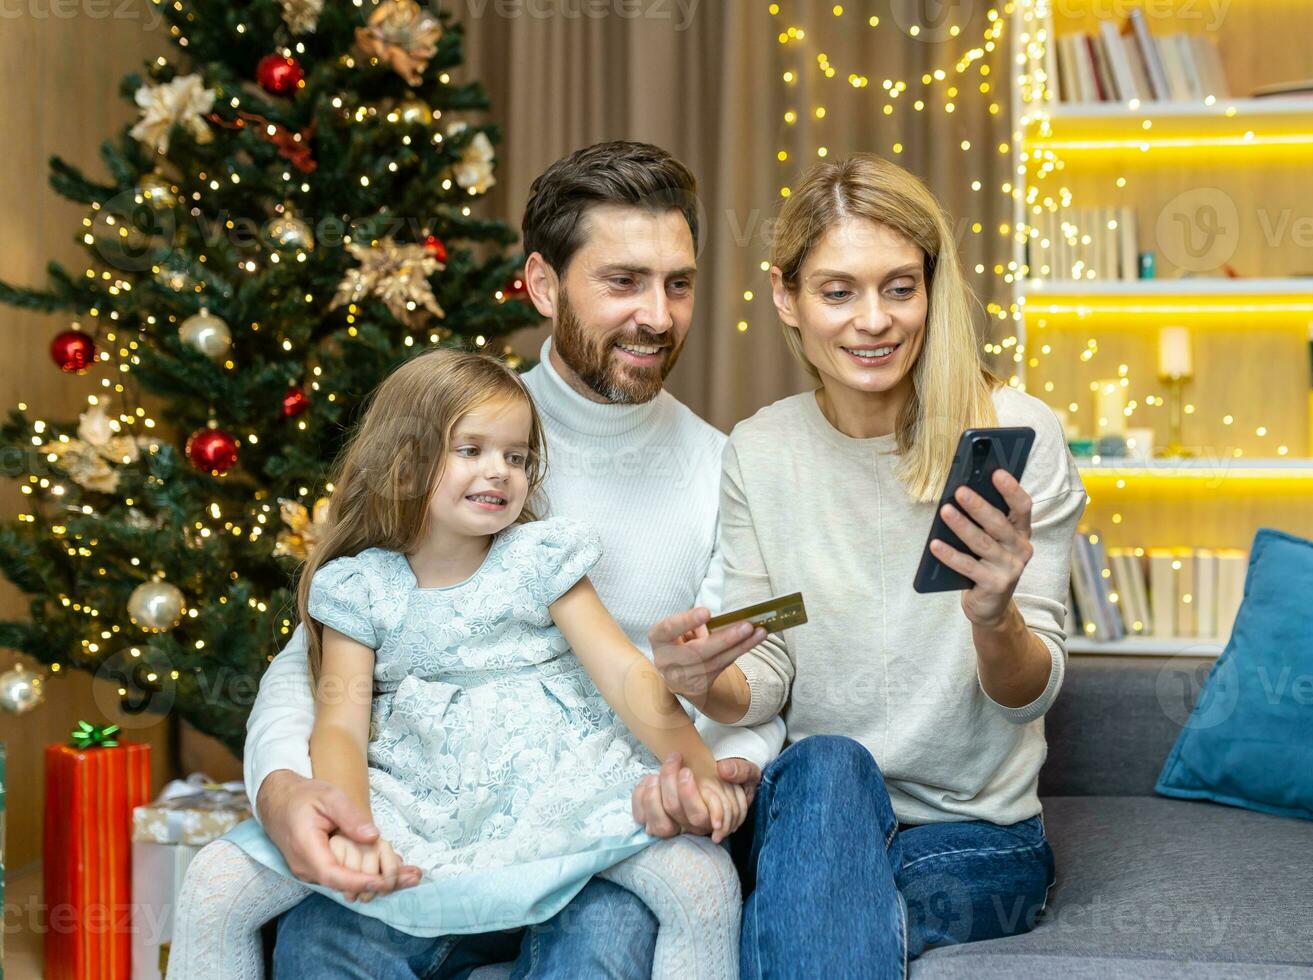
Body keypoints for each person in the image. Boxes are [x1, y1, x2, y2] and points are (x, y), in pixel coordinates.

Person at [227, 141, 781, 979]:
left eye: (679, 282)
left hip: (602, 831)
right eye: (623, 281)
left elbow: (753, 678)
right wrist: (282, 785)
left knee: (603, 944)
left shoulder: (723, 468)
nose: (659, 317)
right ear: (544, 284)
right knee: (317, 945)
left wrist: (718, 775)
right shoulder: (465, 440)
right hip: (426, 817)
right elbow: (325, 651)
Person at [643, 154, 1088, 977]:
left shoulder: (1016, 432)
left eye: (899, 287)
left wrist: (995, 619)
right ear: (787, 297)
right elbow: (766, 657)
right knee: (828, 760)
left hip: (977, 840)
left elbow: (1035, 690)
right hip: (814, 812)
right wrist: (703, 680)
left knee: (804, 916)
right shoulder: (763, 451)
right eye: (838, 291)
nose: (874, 321)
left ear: (931, 289)